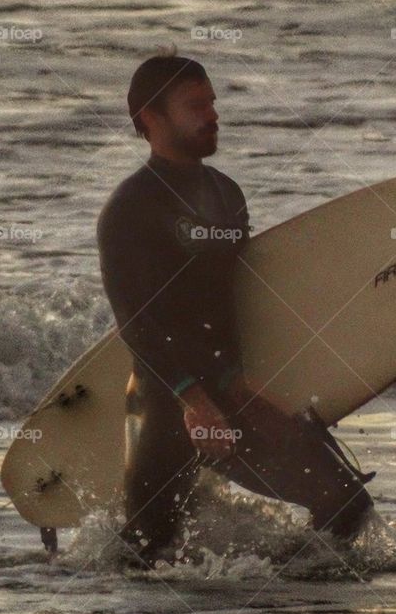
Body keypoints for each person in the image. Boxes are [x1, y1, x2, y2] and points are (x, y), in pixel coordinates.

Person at [96, 49, 374, 566]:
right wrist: (192, 400)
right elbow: (136, 321)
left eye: (212, 103)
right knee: (144, 556)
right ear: (150, 118)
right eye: (194, 105)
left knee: (346, 505)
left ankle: (275, 599)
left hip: (226, 391)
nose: (213, 115)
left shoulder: (226, 195)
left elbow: (229, 304)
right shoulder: (130, 209)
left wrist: (240, 388)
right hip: (164, 403)